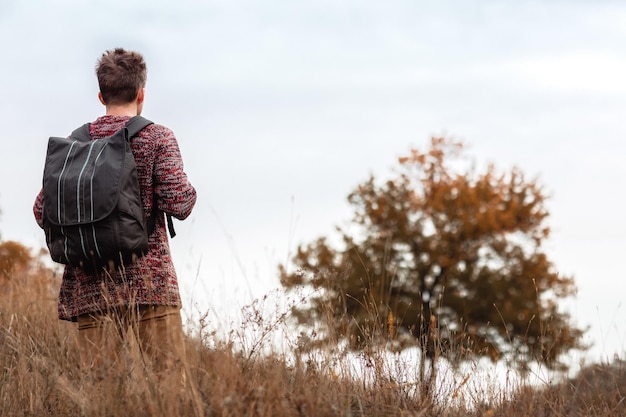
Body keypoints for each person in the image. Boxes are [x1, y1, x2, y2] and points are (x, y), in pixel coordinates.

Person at [33, 48, 197, 379]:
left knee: (100, 397)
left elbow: (41, 211)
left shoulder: (73, 145)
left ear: (100, 95)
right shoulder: (156, 136)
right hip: (149, 283)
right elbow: (180, 202)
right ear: (141, 94)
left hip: (90, 290)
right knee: (170, 392)